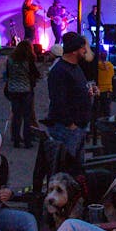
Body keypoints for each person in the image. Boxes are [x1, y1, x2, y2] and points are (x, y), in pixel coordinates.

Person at [45, 32, 94, 163]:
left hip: (79, 126)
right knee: (66, 166)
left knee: (77, 168)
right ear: (74, 51)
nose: (85, 50)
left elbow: (76, 89)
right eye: (82, 48)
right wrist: (70, 124)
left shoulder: (76, 67)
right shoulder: (59, 71)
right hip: (67, 129)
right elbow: (58, 100)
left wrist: (87, 91)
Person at [3, 38, 41, 148]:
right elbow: (36, 73)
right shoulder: (29, 60)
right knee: (27, 115)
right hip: (26, 90)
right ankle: (27, 140)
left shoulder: (10, 60)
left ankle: (16, 139)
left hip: (13, 90)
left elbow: (8, 74)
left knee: (16, 116)